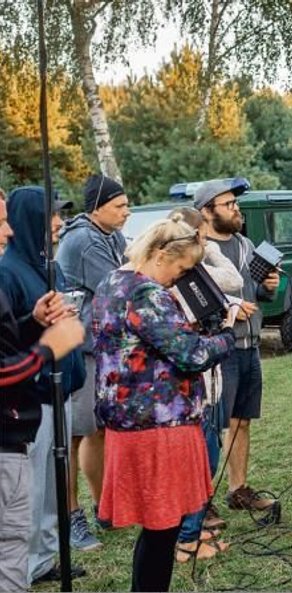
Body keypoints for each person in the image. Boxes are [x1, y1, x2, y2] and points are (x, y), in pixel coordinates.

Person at [92, 215, 237, 592]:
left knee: (157, 528)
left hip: (127, 421)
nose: (180, 277)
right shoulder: (147, 293)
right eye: (180, 267)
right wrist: (226, 334)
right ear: (160, 253)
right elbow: (192, 355)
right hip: (158, 424)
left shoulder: (111, 282)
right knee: (162, 528)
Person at [0, 187, 88, 584]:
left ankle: (43, 557)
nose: (58, 223)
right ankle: (27, 561)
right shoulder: (8, 271)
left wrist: (40, 318)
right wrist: (44, 346)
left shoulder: (48, 265)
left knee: (53, 484)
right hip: (28, 399)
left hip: (60, 389)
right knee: (28, 493)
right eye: (51, 215)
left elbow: (17, 326)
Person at [194, 178, 279, 514]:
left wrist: (269, 286)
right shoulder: (196, 248)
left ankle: (238, 489)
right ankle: (201, 499)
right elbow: (194, 297)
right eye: (228, 204)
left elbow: (259, 295)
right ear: (206, 211)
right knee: (213, 424)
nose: (236, 209)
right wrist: (230, 305)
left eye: (235, 204)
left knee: (242, 420)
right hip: (217, 351)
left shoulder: (245, 245)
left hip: (249, 346)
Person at [56, 173, 130, 551]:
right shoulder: (83, 240)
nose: (126, 212)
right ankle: (72, 519)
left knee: (98, 430)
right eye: (119, 206)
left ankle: (105, 507)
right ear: (96, 207)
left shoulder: (111, 234)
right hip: (77, 350)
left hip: (100, 348)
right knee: (75, 433)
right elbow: (122, 283)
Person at [166, 206, 242, 562]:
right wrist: (208, 247)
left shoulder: (188, 271)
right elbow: (233, 280)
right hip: (196, 384)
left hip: (203, 383)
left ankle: (190, 529)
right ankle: (187, 536)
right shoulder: (187, 274)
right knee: (203, 457)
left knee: (204, 456)